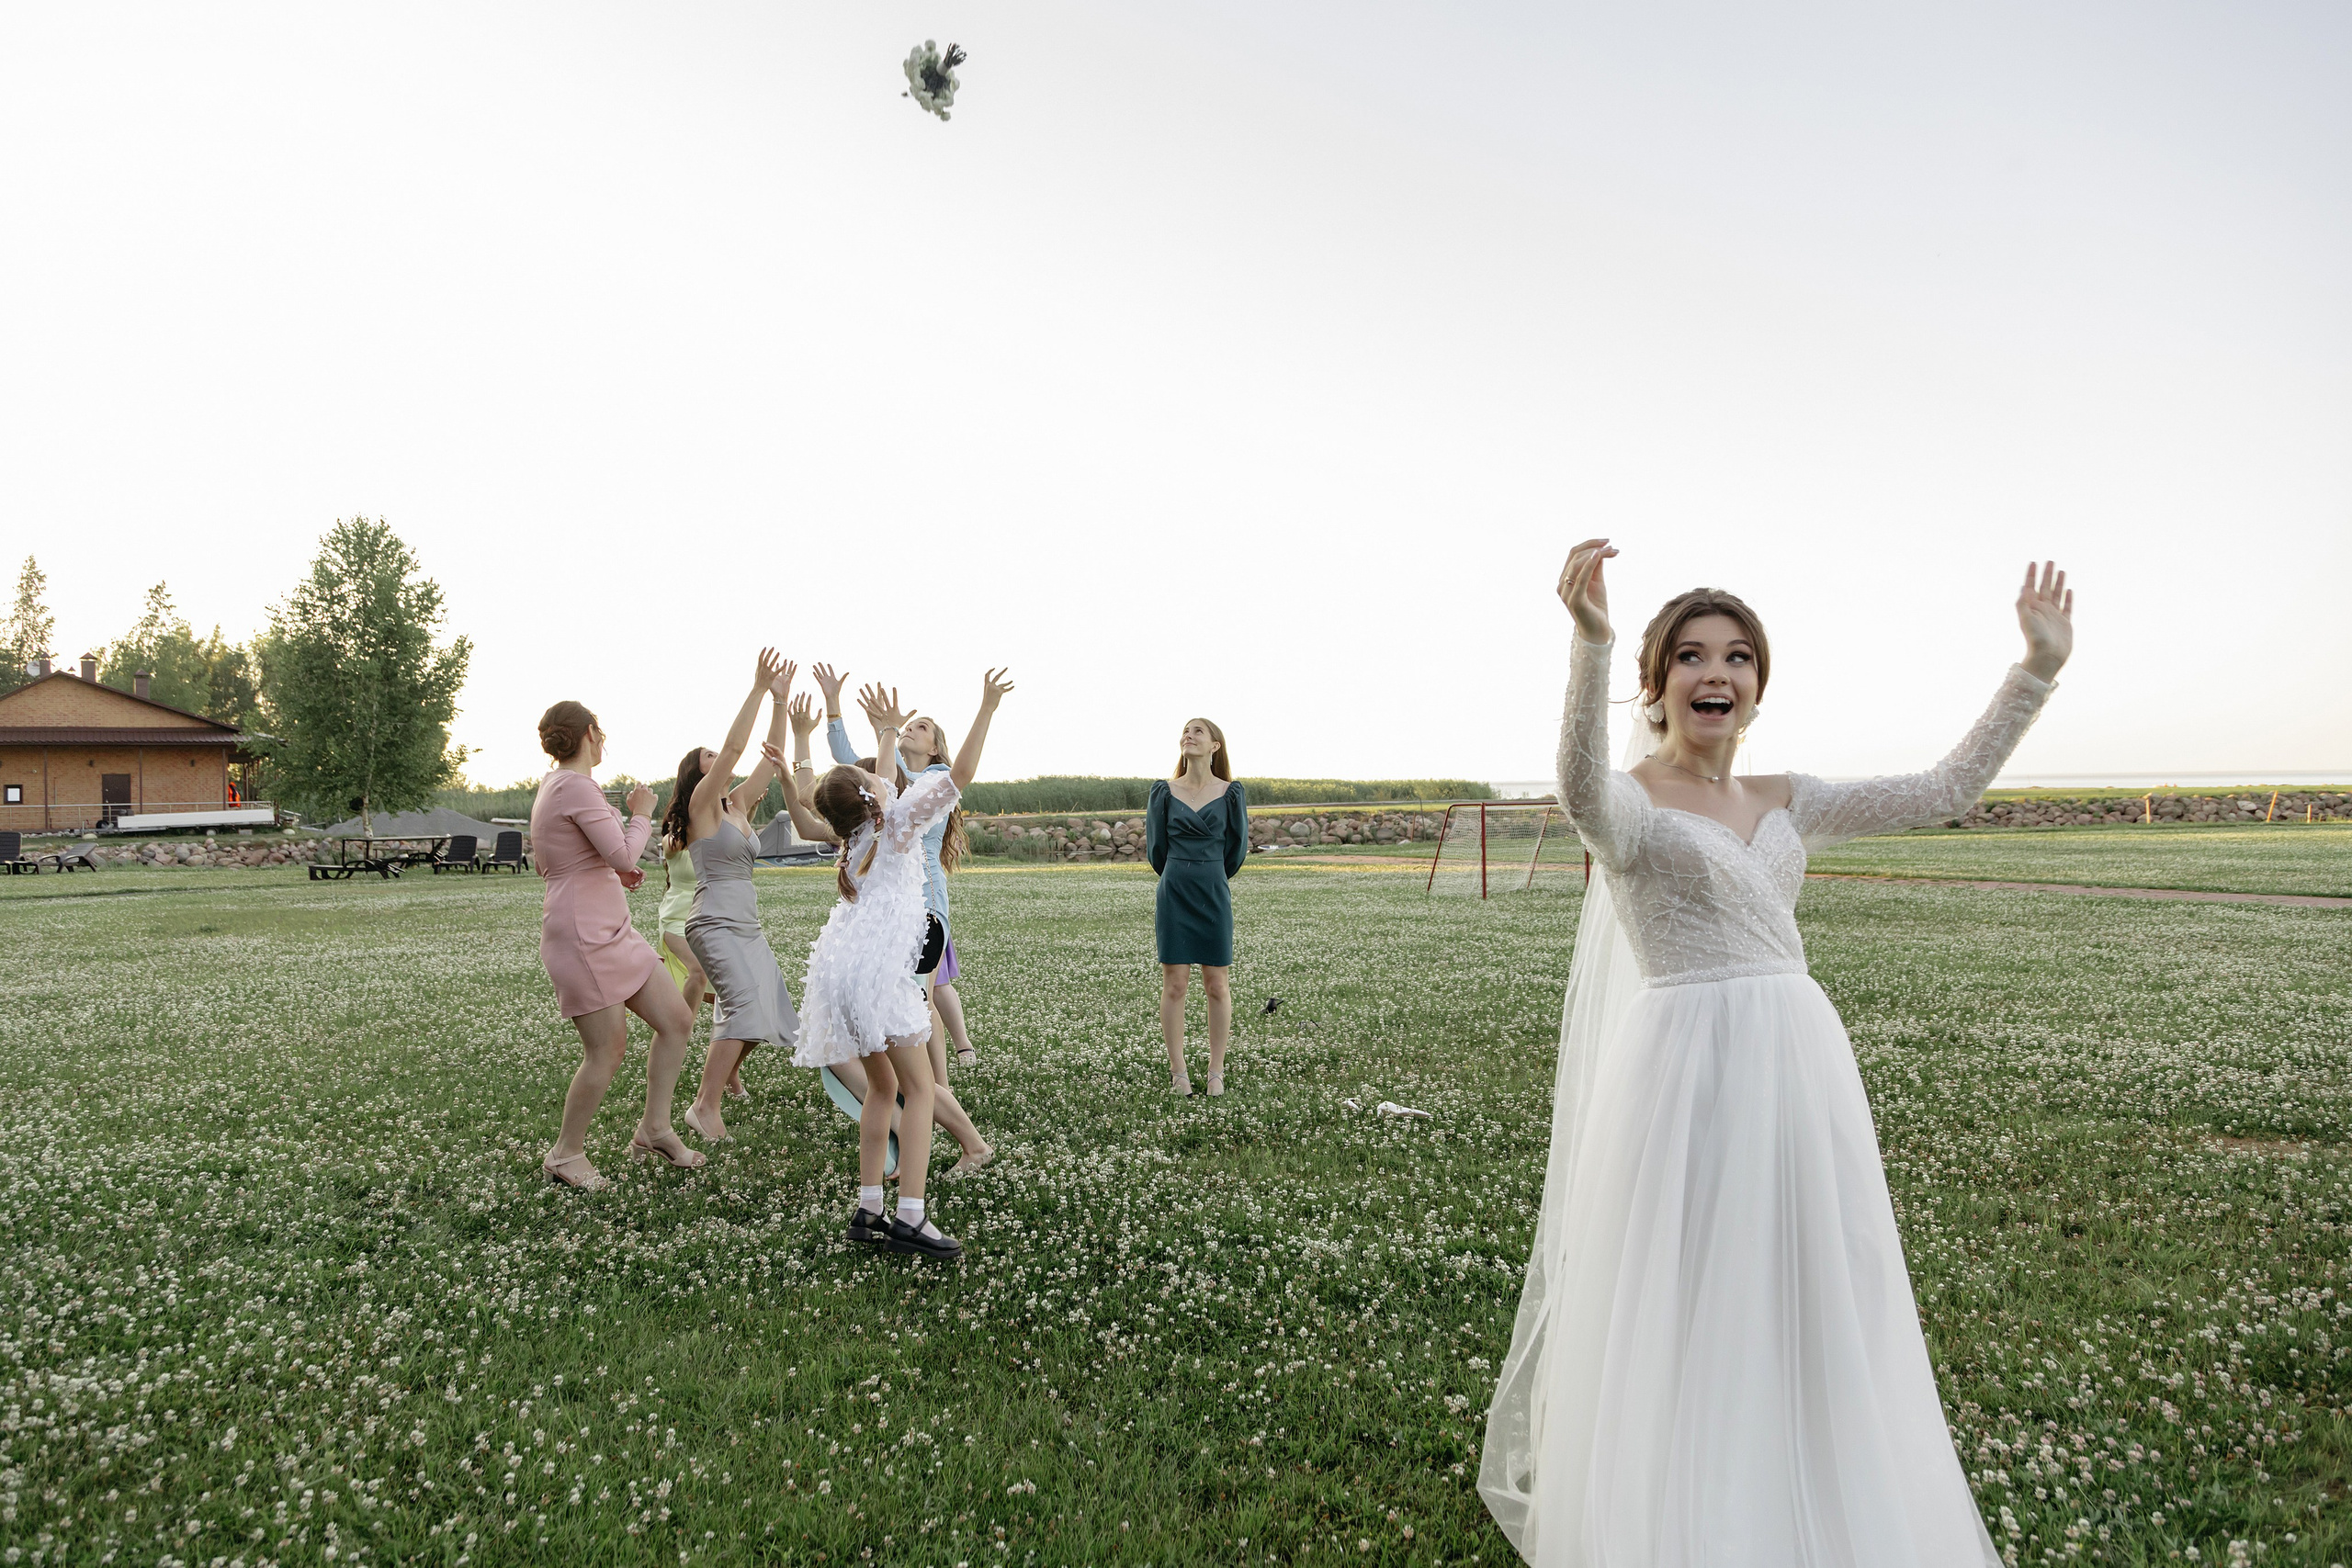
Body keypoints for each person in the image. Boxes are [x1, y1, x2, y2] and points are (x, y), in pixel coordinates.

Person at [1478, 545, 2072, 1567]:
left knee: (1814, 1278)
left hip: (1798, 1060)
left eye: (1738, 657)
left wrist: (2036, 669)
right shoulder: (1630, 801)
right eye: (1691, 656)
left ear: (1757, 685)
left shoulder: (1790, 796)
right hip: (1684, 1071)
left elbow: (1944, 789)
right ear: (1657, 683)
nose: (1716, 673)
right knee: (1694, 1291)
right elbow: (1578, 793)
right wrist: (1590, 643)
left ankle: (1813, 1491)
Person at [812, 663, 1010, 1176]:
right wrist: (880, 730)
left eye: (922, 727)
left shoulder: (899, 811)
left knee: (906, 1054)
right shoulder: (884, 818)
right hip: (892, 935)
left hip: (918, 923)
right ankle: (923, 1137)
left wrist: (885, 730)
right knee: (899, 1058)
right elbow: (876, 777)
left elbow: (930, 777)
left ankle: (955, 1140)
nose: (910, 731)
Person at [793, 686, 965, 1261]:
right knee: (919, 1090)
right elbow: (961, 773)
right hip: (877, 978)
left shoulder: (856, 836)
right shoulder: (898, 825)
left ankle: (869, 1209)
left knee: (883, 1088)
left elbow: (882, 777)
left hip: (840, 977)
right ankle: (911, 1216)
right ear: (873, 796)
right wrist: (987, 708)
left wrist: (887, 732)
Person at [531, 700, 705, 1189]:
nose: (602, 741)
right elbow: (625, 852)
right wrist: (642, 814)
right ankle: (565, 1154)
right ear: (590, 733)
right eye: (600, 733)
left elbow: (576, 857)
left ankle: (655, 1129)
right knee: (606, 1050)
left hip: (612, 928)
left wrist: (611, 871)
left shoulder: (556, 785)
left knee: (676, 1020)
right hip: (582, 934)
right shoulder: (575, 785)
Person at [676, 651, 801, 1145]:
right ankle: (704, 1107)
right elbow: (735, 747)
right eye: (708, 757)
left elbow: (770, 757)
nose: (720, 758)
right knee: (746, 1007)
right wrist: (757, 688)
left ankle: (722, 1074)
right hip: (713, 922)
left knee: (769, 1009)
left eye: (717, 755)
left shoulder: (739, 804)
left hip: (747, 924)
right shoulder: (702, 807)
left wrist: (780, 701)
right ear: (698, 773)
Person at [1146, 717, 1249, 1097]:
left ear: (1215, 745)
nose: (1188, 736)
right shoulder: (1163, 792)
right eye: (1185, 732)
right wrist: (1180, 873)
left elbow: (1236, 851)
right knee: (1175, 984)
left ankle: (1216, 1071)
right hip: (1174, 893)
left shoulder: (1231, 793)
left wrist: (1209, 873)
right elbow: (1156, 850)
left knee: (1217, 985)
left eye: (1197, 731)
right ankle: (1179, 1072)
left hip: (1213, 892)